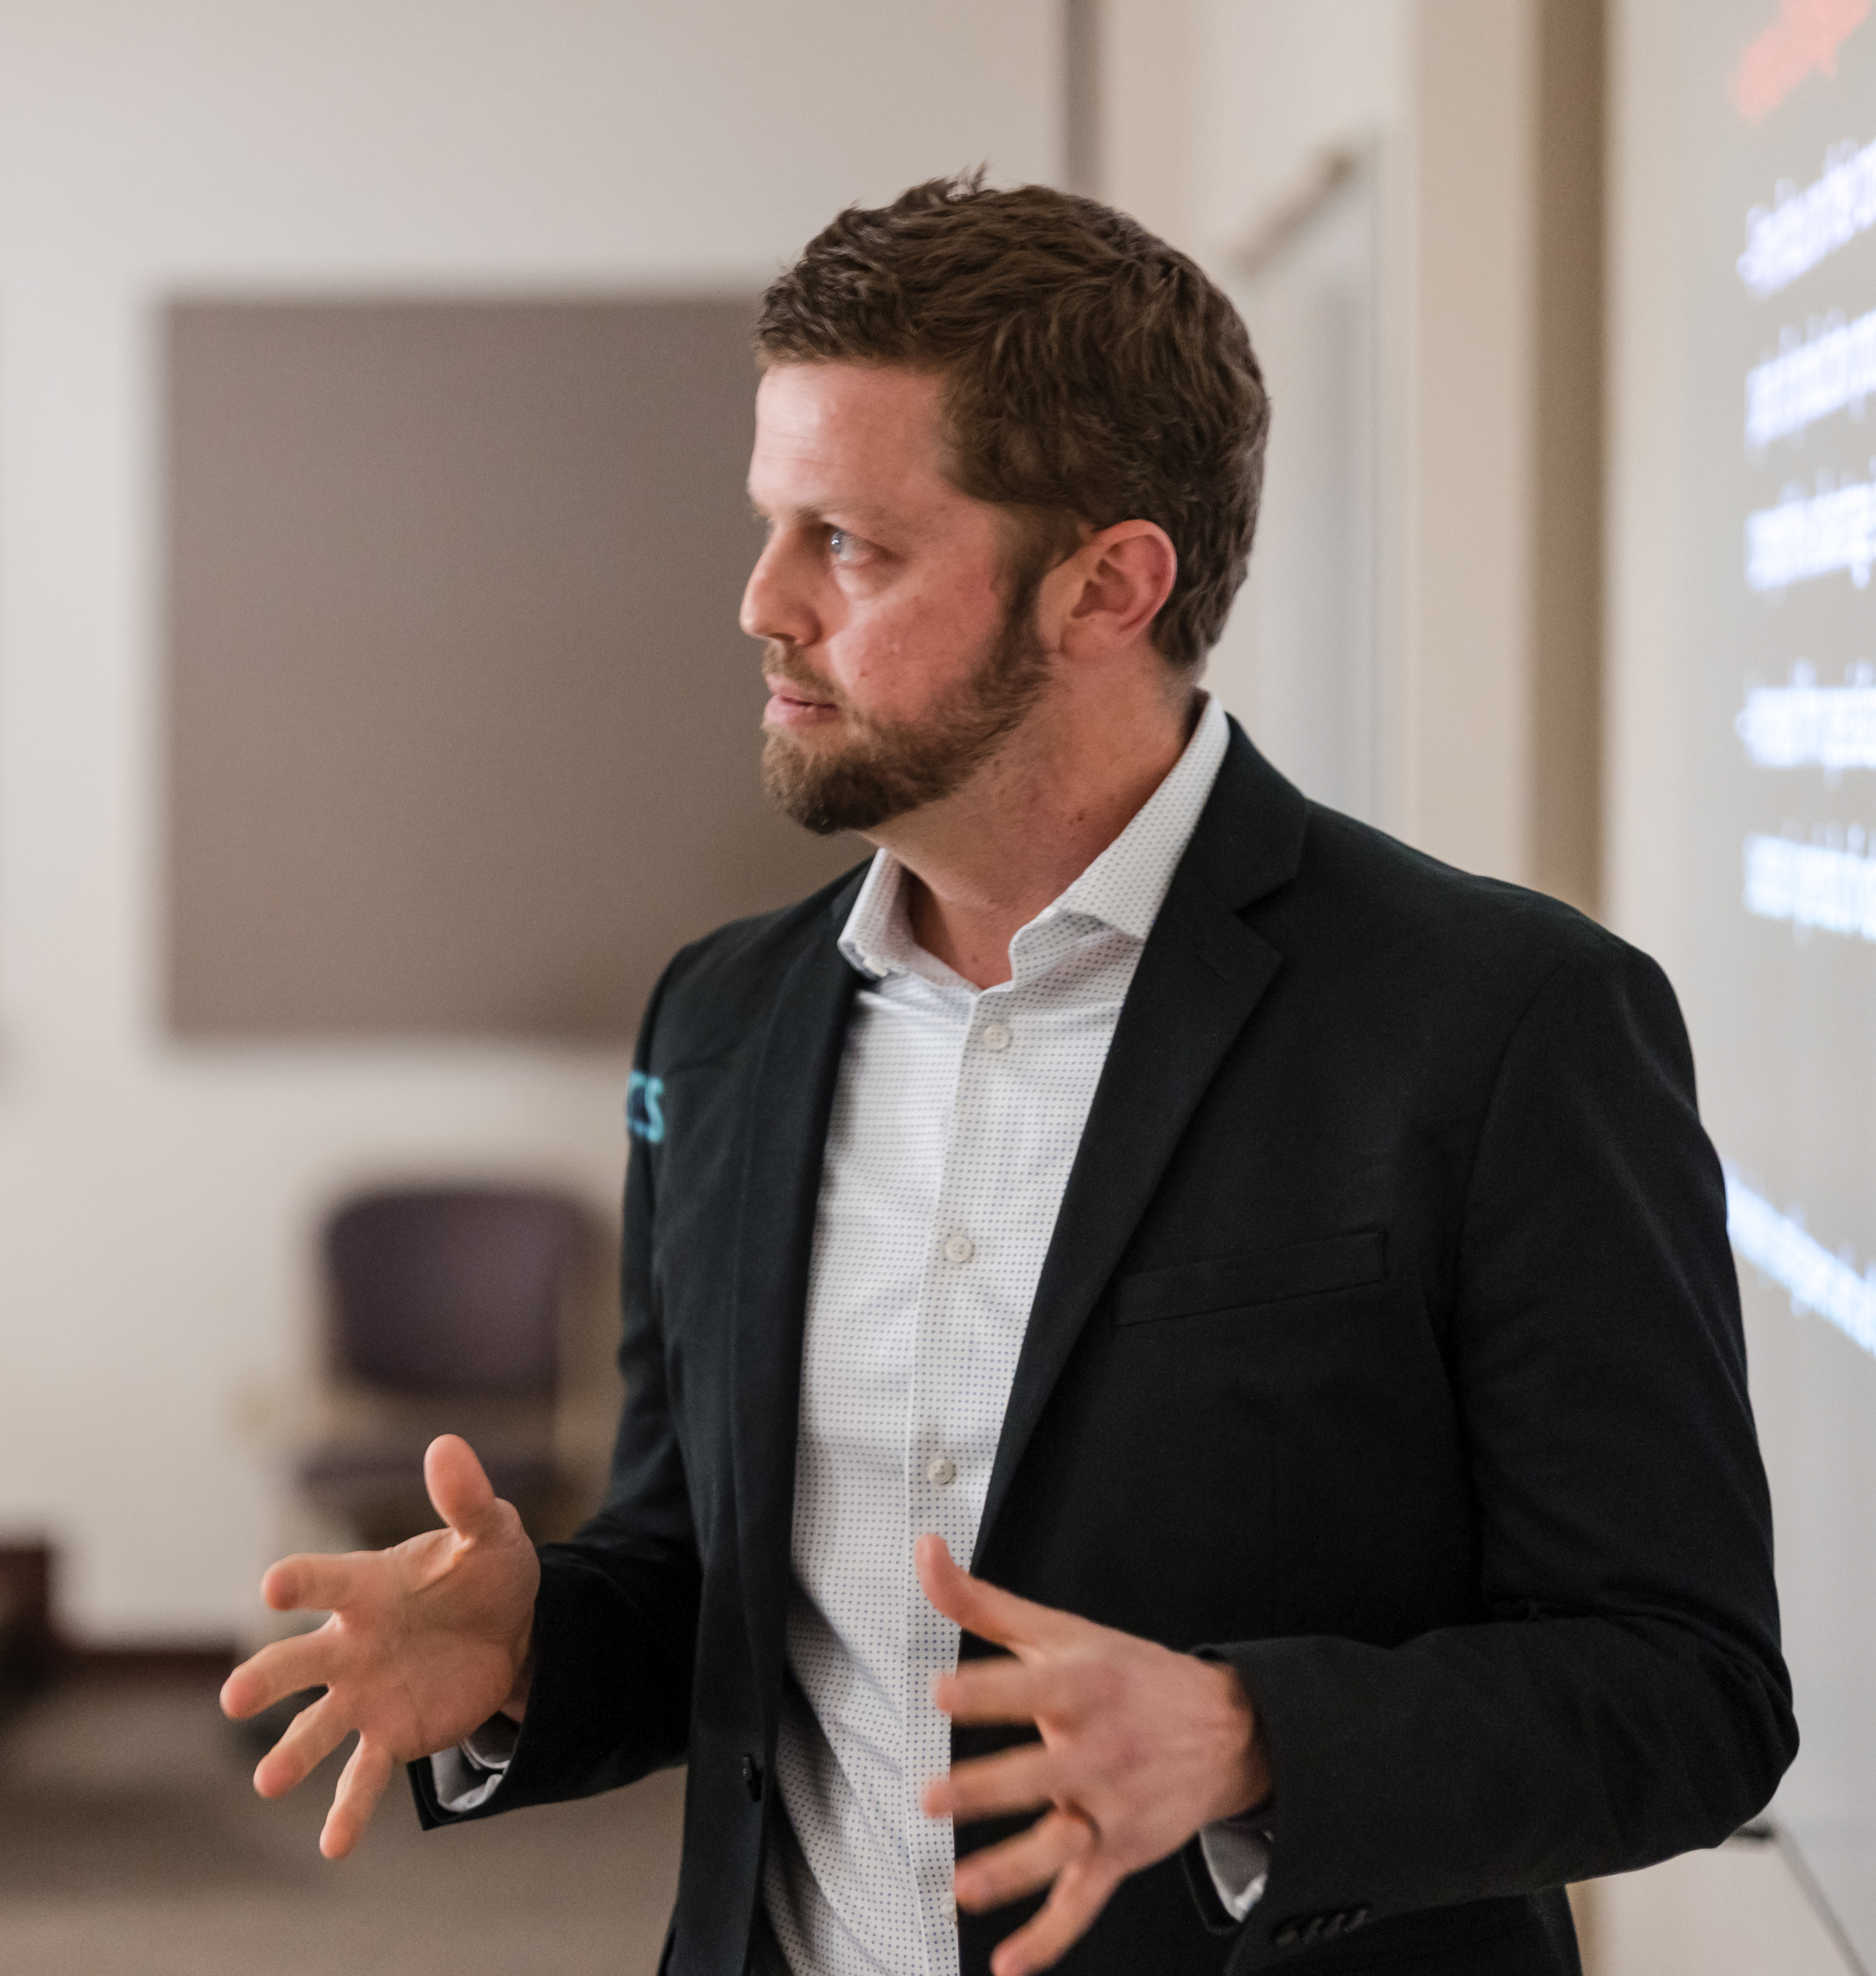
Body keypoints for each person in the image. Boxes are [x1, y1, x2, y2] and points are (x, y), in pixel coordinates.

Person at [221, 177, 1793, 1976]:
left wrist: (1251, 1740)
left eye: (850, 546)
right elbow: (709, 1584)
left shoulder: (1503, 1021)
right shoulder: (720, 1026)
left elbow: (1689, 1692)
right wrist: (529, 1650)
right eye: (766, 526)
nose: (759, 604)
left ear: (1107, 586)